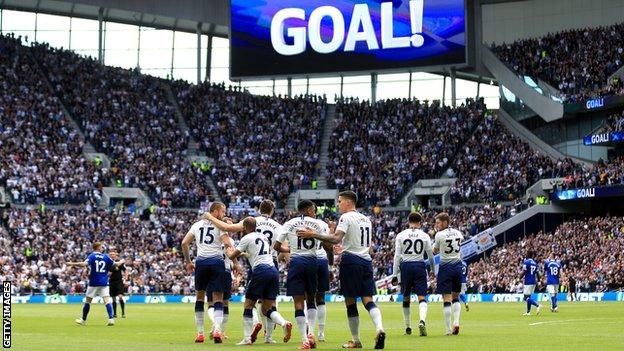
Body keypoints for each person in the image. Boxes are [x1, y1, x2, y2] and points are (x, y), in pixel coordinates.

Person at [297, 191, 385, 349]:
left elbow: (336, 238)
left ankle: (356, 340)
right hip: (366, 261)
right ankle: (379, 328)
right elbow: (366, 245)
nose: (338, 204)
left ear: (348, 202)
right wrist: (343, 248)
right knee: (368, 300)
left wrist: (314, 234)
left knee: (350, 302)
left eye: (340, 201)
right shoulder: (366, 219)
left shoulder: (346, 217)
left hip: (351, 261)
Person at [203, 200, 284, 344]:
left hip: (257, 266)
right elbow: (283, 249)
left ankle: (251, 328)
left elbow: (227, 227)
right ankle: (269, 336)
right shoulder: (278, 226)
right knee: (270, 303)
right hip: (272, 263)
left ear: (259, 209)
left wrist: (210, 217)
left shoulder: (251, 221)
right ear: (272, 211)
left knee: (249, 302)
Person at [224, 217, 293, 345]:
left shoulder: (246, 238)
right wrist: (244, 254)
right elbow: (254, 252)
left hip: (260, 271)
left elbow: (232, 256)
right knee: (267, 308)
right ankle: (283, 323)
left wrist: (229, 252)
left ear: (244, 228)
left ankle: (246, 338)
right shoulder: (263, 237)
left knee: (248, 304)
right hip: (273, 270)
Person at [274, 200, 328, 349]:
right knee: (312, 300)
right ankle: (311, 332)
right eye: (314, 209)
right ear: (310, 210)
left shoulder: (289, 223)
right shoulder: (319, 224)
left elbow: (276, 246)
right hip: (313, 262)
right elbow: (328, 245)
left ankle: (304, 340)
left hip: (296, 263)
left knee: (298, 302)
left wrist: (290, 249)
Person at [182, 202, 234, 343]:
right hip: (217, 263)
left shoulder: (196, 225)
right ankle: (217, 330)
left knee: (200, 298)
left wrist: (188, 262)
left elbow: (184, 243)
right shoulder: (220, 226)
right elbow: (227, 243)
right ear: (215, 211)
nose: (223, 214)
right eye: (222, 211)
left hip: (201, 263)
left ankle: (200, 334)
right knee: (218, 299)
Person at [391, 212, 436, 337]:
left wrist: (395, 274)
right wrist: (432, 270)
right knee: (422, 297)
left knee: (406, 297)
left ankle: (408, 328)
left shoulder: (401, 235)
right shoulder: (424, 235)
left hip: (405, 266)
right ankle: (422, 321)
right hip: (419, 265)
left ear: (408, 221)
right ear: (420, 223)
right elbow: (430, 256)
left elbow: (397, 256)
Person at [67, 242, 125, 326]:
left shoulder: (92, 256)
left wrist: (72, 264)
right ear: (98, 248)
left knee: (88, 301)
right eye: (101, 247)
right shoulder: (105, 257)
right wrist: (122, 261)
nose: (102, 248)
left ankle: (83, 320)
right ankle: (111, 319)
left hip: (94, 282)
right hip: (104, 282)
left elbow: (83, 264)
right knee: (107, 301)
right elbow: (116, 264)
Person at [432, 212, 464, 336]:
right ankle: (456, 322)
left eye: (438, 223)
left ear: (445, 222)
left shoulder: (439, 235)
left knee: (446, 298)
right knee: (456, 296)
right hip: (458, 266)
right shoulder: (458, 233)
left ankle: (447, 329)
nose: (436, 225)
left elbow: (435, 251)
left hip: (445, 267)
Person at [314, 216, 334, 343]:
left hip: (306, 261)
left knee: (307, 298)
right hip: (321, 261)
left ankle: (308, 331)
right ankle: (321, 334)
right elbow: (329, 247)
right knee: (320, 299)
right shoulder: (322, 225)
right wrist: (331, 268)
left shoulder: (297, 223)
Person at [520, 251, 541, 316]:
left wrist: (519, 278)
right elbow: (537, 273)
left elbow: (524, 271)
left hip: (528, 282)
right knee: (528, 297)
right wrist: (539, 281)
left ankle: (537, 305)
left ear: (528, 254)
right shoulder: (535, 263)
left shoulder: (526, 262)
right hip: (533, 282)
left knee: (525, 298)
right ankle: (528, 312)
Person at [108, 250, 128, 318]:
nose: (112, 255)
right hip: (111, 282)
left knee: (120, 297)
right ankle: (115, 313)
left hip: (119, 281)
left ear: (115, 255)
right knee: (113, 299)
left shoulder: (119, 263)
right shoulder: (108, 263)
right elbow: (108, 274)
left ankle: (123, 313)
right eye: (111, 254)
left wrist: (125, 279)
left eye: (113, 254)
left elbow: (125, 271)